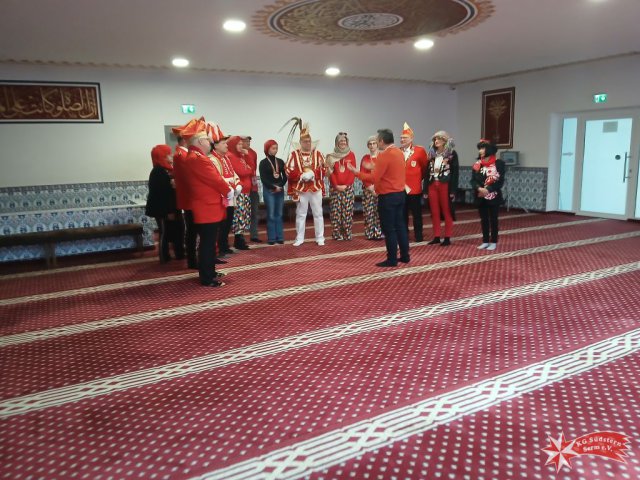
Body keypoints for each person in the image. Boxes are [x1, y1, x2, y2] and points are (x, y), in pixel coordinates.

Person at [179, 117, 233, 287]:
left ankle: (210, 271)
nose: (210, 143)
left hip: (206, 206)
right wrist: (228, 190)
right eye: (208, 140)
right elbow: (215, 179)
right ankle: (207, 277)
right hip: (207, 207)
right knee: (207, 244)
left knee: (208, 242)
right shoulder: (198, 158)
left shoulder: (194, 156)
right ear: (201, 141)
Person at [349, 129, 409, 267]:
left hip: (388, 196)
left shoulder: (384, 155)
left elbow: (374, 177)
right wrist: (374, 166)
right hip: (400, 194)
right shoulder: (399, 152)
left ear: (381, 141)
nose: (376, 143)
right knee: (400, 226)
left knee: (389, 229)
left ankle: (392, 259)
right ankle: (405, 256)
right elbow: (390, 171)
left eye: (377, 141)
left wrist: (356, 173)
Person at [285, 122, 326, 246]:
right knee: (301, 214)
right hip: (301, 189)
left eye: (309, 141)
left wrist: (313, 173)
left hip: (315, 188)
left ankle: (320, 238)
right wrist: (300, 175)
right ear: (300, 142)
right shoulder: (294, 155)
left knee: (318, 213)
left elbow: (324, 168)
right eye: (305, 141)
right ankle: (299, 238)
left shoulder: (318, 154)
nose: (307, 143)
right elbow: (287, 169)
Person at [145, 144, 184, 263]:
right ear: (162, 156)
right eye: (168, 154)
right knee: (164, 232)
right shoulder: (158, 171)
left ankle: (178, 253)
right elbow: (163, 194)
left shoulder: (167, 169)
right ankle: (164, 256)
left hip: (170, 207)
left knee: (175, 230)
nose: (171, 156)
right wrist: (169, 211)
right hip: (163, 209)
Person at [209, 132, 242, 257]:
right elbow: (218, 178)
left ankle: (225, 246)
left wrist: (238, 184)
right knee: (221, 224)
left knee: (228, 222)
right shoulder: (212, 159)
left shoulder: (226, 158)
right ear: (215, 146)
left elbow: (233, 174)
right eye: (223, 143)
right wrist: (230, 186)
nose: (226, 145)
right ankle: (220, 249)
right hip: (222, 196)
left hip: (230, 196)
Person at [424, 130, 459, 246]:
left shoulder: (452, 154)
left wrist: (453, 190)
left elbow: (455, 173)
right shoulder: (431, 154)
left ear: (445, 141)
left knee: (446, 210)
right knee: (434, 212)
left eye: (439, 139)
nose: (436, 141)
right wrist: (425, 189)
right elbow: (426, 172)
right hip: (432, 185)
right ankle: (437, 236)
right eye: (435, 139)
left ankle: (447, 237)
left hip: (445, 185)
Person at [471, 139, 505, 251]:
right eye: (479, 148)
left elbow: (500, 181)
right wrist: (479, 188)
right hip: (481, 196)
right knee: (484, 219)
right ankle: (485, 241)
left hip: (493, 196)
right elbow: (473, 180)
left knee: (493, 219)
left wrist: (488, 189)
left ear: (489, 150)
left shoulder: (499, 163)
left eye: (482, 148)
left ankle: (494, 241)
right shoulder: (478, 164)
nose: (480, 151)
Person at [171, 130, 197, 269]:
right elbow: (188, 178)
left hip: (190, 197)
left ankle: (193, 257)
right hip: (189, 198)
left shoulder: (183, 154)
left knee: (193, 230)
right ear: (186, 140)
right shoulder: (181, 155)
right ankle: (192, 260)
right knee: (192, 230)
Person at [400, 122, 428, 242]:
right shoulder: (398, 151)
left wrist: (417, 180)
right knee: (402, 214)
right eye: (401, 137)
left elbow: (425, 168)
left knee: (416, 214)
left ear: (411, 138)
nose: (402, 139)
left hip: (414, 189)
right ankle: (404, 235)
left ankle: (418, 235)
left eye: (404, 137)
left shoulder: (419, 151)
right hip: (401, 188)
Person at [326, 132, 356, 241]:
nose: (343, 142)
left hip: (348, 188)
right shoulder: (331, 156)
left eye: (344, 140)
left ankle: (347, 234)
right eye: (341, 141)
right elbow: (330, 173)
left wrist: (346, 185)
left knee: (347, 212)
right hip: (335, 189)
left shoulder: (351, 155)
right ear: (337, 143)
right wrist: (336, 185)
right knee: (336, 213)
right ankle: (337, 234)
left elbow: (352, 172)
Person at [227, 136, 253, 250]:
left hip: (246, 191)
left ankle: (240, 238)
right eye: (238, 144)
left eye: (241, 144)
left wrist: (247, 155)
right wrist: (248, 169)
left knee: (244, 216)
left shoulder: (241, 156)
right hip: (239, 192)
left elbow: (252, 169)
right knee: (239, 217)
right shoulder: (231, 156)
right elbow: (242, 171)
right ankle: (238, 240)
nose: (241, 146)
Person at [259, 139, 287, 245]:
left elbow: (285, 176)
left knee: (279, 214)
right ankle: (271, 238)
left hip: (279, 190)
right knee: (271, 214)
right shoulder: (263, 163)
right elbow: (263, 179)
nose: (276, 150)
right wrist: (273, 187)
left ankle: (280, 237)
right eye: (273, 148)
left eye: (276, 148)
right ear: (267, 149)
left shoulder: (280, 161)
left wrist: (280, 186)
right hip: (269, 190)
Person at [360, 135, 383, 240]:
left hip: (381, 189)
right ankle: (370, 233)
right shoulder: (365, 158)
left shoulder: (382, 157)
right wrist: (370, 187)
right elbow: (362, 174)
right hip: (368, 189)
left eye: (374, 143)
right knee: (369, 212)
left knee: (380, 212)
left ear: (377, 145)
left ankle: (379, 233)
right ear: (368, 146)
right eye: (370, 144)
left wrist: (377, 187)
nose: (372, 146)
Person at [243, 136, 263, 243]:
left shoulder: (253, 153)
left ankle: (254, 235)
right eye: (246, 141)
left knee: (255, 212)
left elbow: (253, 169)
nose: (248, 142)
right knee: (242, 213)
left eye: (249, 141)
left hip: (253, 186)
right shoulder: (238, 153)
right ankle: (240, 237)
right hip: (243, 188)